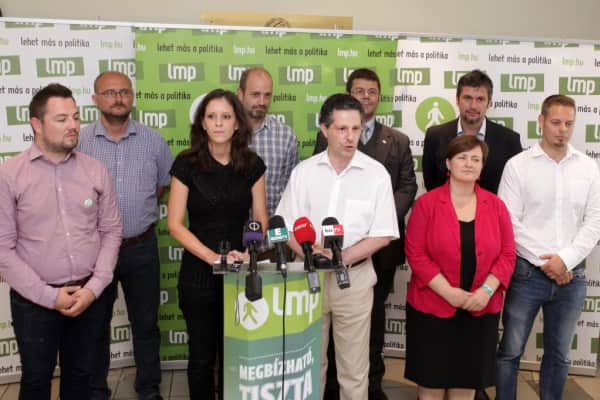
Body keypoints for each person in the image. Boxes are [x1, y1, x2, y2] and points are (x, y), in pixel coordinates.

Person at [0, 83, 122, 399]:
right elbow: (3, 249)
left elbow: (111, 231)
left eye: (76, 117)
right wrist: (49, 296)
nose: (73, 125)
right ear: (36, 124)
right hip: (34, 303)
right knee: (36, 381)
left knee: (81, 379)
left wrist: (94, 288)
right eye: (62, 119)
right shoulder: (9, 175)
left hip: (88, 297)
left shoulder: (95, 170)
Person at [276, 93, 399, 400]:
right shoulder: (304, 172)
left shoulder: (376, 174)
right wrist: (310, 252)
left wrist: (339, 256)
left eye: (356, 129)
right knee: (308, 367)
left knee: (354, 372)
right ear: (324, 129)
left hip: (354, 281)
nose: (350, 137)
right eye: (342, 129)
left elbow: (383, 234)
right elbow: (284, 226)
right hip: (308, 277)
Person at [313, 68, 417, 400]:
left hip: (378, 252)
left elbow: (407, 186)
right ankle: (332, 387)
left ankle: (372, 384)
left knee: (370, 323)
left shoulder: (397, 140)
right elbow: (324, 186)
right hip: (330, 255)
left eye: (372, 91)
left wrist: (377, 221)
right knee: (329, 332)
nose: (366, 96)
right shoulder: (326, 139)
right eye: (360, 91)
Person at [496, 95, 600, 400]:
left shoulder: (588, 167)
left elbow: (594, 222)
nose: (563, 130)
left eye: (569, 124)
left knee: (559, 355)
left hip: (572, 277)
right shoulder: (518, 166)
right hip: (526, 275)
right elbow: (509, 222)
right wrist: (549, 263)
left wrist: (564, 261)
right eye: (556, 122)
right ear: (541, 121)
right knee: (510, 351)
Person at [167, 89, 268, 400]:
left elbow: (260, 217)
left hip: (238, 273)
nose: (219, 123)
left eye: (226, 116)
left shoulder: (252, 164)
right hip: (198, 275)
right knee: (201, 358)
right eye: (212, 117)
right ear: (202, 123)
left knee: (234, 357)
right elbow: (174, 224)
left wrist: (249, 252)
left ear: (237, 123)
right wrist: (212, 257)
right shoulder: (186, 163)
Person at [78, 71, 173, 400]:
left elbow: (161, 186)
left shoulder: (154, 141)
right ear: (95, 99)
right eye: (109, 93)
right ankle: (95, 391)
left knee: (146, 325)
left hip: (140, 247)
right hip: (94, 250)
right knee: (95, 326)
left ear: (132, 96)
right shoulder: (80, 142)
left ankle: (148, 388)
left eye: (124, 92)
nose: (118, 99)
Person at [404, 135, 515, 400]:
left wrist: (486, 292)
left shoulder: (497, 206)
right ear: (448, 163)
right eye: (462, 157)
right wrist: (449, 293)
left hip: (480, 310)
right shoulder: (427, 204)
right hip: (432, 309)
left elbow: (508, 254)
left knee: (466, 386)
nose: (469, 163)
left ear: (482, 166)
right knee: (431, 386)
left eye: (476, 159)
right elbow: (416, 254)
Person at [422, 69, 521, 194]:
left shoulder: (510, 140)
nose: (473, 106)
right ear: (457, 100)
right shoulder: (435, 136)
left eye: (480, 99)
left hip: (493, 206)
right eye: (467, 98)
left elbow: (514, 187)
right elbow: (431, 184)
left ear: (489, 103)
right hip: (445, 206)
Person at [237, 67, 299, 217]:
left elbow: (291, 190)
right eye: (255, 94)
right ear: (240, 94)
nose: (262, 102)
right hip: (231, 228)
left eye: (267, 95)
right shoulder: (224, 133)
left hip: (273, 227)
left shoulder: (286, 136)